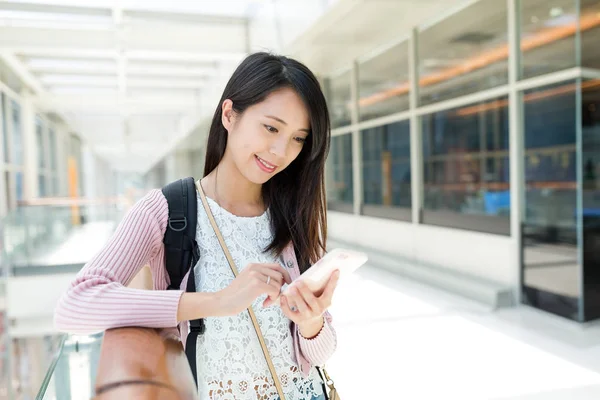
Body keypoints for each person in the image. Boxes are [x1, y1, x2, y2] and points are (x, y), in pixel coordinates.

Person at [54, 52, 338, 400]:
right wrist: (216, 301)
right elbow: (74, 306)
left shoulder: (292, 217)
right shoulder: (168, 211)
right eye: (271, 128)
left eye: (298, 138)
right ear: (229, 115)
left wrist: (311, 323)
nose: (281, 150)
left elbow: (321, 354)